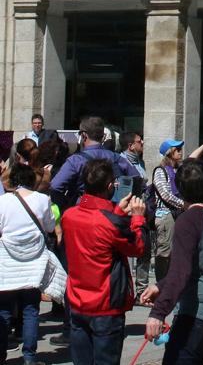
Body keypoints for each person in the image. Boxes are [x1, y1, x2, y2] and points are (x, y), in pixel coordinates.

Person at [141, 158, 203, 365]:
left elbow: (180, 272)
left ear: (179, 189)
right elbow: (198, 265)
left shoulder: (188, 220)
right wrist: (159, 286)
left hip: (195, 314)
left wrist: (158, 313)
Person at [62, 158, 148, 365]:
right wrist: (137, 218)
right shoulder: (109, 222)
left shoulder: (69, 215)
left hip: (78, 300)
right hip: (105, 304)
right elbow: (138, 247)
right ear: (110, 186)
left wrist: (117, 212)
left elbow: (100, 227)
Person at [0, 162, 56, 365]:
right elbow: (50, 226)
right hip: (34, 264)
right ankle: (30, 357)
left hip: (7, 264)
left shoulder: (3, 201)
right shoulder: (42, 199)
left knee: (4, 311)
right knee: (31, 310)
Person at [49, 115, 137, 209]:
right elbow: (137, 180)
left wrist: (67, 204)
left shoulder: (75, 161)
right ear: (103, 136)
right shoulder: (116, 158)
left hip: (83, 210)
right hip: (111, 211)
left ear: (83, 135)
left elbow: (55, 186)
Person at [117, 130, 151, 297]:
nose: (142, 143)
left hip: (141, 210)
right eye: (139, 141)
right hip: (128, 212)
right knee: (130, 249)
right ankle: (129, 289)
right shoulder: (120, 163)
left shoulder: (140, 162)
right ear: (130, 146)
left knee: (144, 249)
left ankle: (142, 289)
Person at [152, 139, 187, 283]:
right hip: (166, 215)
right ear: (169, 152)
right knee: (164, 253)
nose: (180, 151)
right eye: (177, 149)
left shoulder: (179, 170)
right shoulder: (160, 171)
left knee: (175, 252)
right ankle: (160, 285)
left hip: (178, 215)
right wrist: (183, 204)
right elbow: (165, 194)